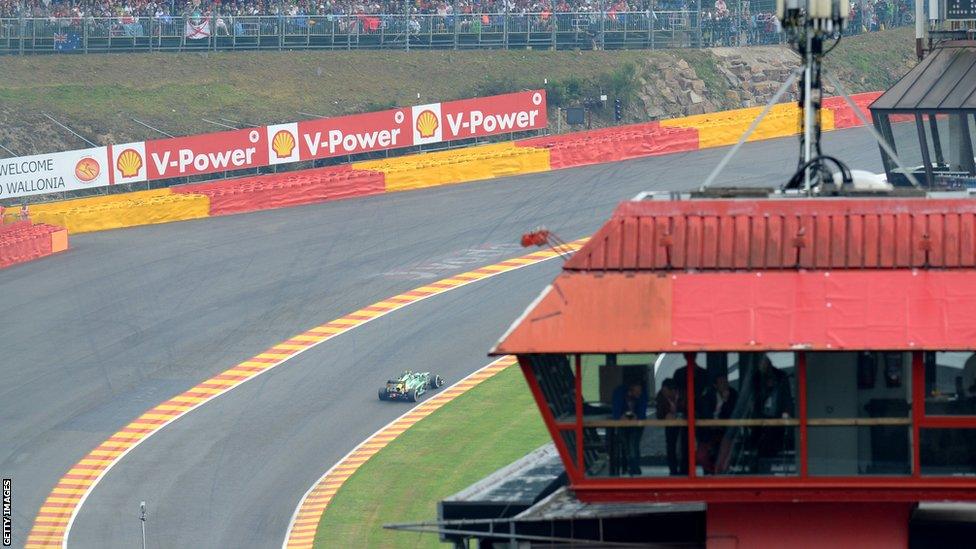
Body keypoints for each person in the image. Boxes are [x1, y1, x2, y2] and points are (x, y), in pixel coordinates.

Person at [751, 355, 794, 471]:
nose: (762, 368)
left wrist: (787, 411)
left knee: (773, 442)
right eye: (760, 366)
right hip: (761, 417)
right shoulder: (757, 378)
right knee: (760, 443)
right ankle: (760, 468)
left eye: (764, 365)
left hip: (776, 415)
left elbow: (786, 396)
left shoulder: (780, 377)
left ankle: (766, 467)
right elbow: (755, 398)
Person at [698, 375, 738, 474]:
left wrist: (725, 401)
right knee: (702, 455)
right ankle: (709, 471)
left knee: (724, 453)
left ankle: (719, 472)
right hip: (708, 430)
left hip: (725, 430)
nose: (725, 385)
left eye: (726, 382)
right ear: (715, 385)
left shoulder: (733, 395)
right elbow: (705, 414)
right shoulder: (708, 395)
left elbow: (731, 415)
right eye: (721, 383)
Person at [612, 380, 647, 476]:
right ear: (630, 390)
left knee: (633, 444)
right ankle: (631, 466)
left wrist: (638, 417)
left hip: (637, 425)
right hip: (622, 424)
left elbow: (642, 412)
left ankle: (634, 467)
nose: (639, 393)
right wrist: (620, 416)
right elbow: (616, 411)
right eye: (637, 391)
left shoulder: (642, 394)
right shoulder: (619, 393)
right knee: (626, 445)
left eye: (640, 391)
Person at [655, 378, 681, 475]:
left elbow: (688, 408)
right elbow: (659, 414)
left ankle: (685, 469)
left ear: (673, 390)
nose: (664, 393)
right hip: (670, 425)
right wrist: (666, 415)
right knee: (671, 446)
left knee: (685, 445)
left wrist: (679, 414)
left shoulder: (681, 395)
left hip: (685, 424)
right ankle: (673, 470)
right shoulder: (661, 396)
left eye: (666, 391)